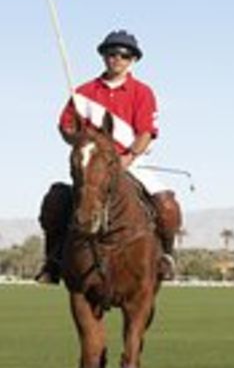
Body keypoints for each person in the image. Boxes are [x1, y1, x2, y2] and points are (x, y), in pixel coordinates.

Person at [36, 30, 183, 283]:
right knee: (56, 201)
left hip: (131, 161)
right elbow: (65, 126)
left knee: (167, 205)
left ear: (133, 60)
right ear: (104, 56)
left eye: (124, 55)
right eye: (111, 53)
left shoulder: (142, 92)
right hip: (92, 164)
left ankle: (166, 257)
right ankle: (53, 261)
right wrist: (76, 139)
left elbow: (146, 132)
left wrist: (129, 158)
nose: (117, 59)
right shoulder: (83, 92)